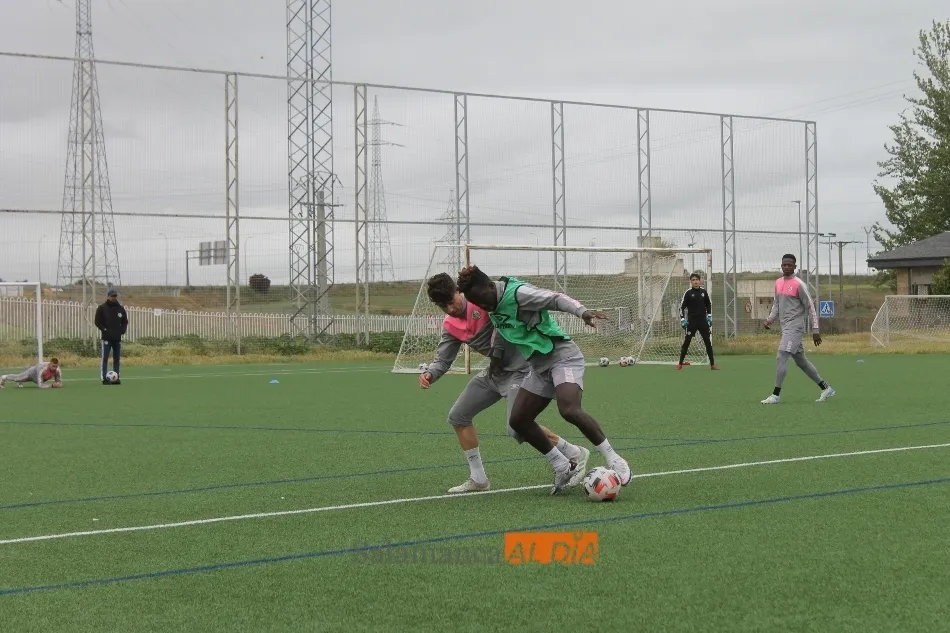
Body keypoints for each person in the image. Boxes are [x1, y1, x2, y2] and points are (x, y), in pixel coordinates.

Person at [456, 265, 632, 495]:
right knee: (518, 421)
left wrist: (582, 312)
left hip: (563, 358)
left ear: (490, 287)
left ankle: (614, 458)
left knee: (569, 409)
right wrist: (496, 359)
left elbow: (555, 298)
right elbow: (501, 330)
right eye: (476, 303)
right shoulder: (491, 302)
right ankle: (562, 465)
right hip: (539, 367)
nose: (482, 306)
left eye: (482, 300)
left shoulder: (518, 293)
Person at [421, 273, 590, 493]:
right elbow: (443, 359)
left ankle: (573, 453)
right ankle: (479, 479)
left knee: (516, 428)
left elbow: (505, 324)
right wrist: (430, 374)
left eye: (451, 301)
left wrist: (498, 354)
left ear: (458, 291)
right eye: (443, 306)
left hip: (520, 371)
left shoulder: (481, 302)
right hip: (494, 373)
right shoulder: (450, 325)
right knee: (458, 416)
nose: (450, 309)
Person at [761, 254, 835, 404]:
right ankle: (826, 388)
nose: (787, 267)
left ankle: (775, 395)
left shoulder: (799, 284)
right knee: (802, 362)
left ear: (795, 267)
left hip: (794, 328)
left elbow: (811, 307)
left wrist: (815, 330)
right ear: (781, 266)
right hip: (786, 328)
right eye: (784, 265)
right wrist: (770, 319)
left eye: (790, 265)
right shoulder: (778, 283)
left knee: (781, 356)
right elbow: (776, 304)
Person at [677, 273, 719, 370]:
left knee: (708, 342)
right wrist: (682, 319)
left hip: (703, 322)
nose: (695, 281)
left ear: (700, 281)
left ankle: (712, 365)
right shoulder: (688, 293)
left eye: (697, 280)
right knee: (687, 342)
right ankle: (680, 364)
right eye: (693, 280)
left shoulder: (703, 292)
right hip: (692, 322)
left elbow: (708, 304)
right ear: (691, 282)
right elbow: (681, 307)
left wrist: (709, 316)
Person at [94, 288, 128, 385]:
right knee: (105, 358)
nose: (113, 298)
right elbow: (97, 322)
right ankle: (104, 378)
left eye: (115, 296)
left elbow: (125, 321)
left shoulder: (121, 309)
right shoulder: (102, 308)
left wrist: (122, 331)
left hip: (117, 338)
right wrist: (105, 330)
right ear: (108, 296)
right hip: (106, 338)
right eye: (112, 296)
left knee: (116, 359)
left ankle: (116, 378)